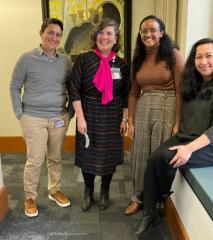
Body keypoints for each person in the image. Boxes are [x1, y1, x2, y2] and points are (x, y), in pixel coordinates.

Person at [135, 38, 213, 236]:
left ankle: (154, 205)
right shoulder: (197, 80)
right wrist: (180, 131)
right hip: (189, 135)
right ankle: (151, 210)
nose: (203, 61)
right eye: (199, 57)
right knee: (153, 159)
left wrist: (189, 149)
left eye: (209, 56)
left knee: (167, 158)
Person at [10, 18, 72, 218]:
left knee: (55, 157)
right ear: (41, 33)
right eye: (50, 33)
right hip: (33, 117)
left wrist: (69, 113)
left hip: (58, 118)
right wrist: (20, 114)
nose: (54, 37)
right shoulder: (26, 59)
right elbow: (14, 87)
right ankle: (30, 197)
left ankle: (54, 190)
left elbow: (73, 88)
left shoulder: (65, 60)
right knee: (35, 159)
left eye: (58, 34)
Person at [68, 18, 130, 211]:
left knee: (108, 156)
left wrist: (124, 119)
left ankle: (104, 191)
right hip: (89, 114)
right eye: (101, 32)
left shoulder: (121, 63)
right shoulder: (84, 59)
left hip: (112, 116)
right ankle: (88, 190)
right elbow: (74, 89)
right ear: (95, 36)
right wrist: (80, 117)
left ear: (116, 38)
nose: (104, 37)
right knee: (88, 155)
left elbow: (126, 94)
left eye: (109, 33)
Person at [125, 15, 184, 215]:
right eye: (144, 31)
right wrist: (130, 120)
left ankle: (156, 200)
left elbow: (181, 91)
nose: (148, 34)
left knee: (157, 156)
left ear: (161, 33)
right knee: (140, 155)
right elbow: (133, 93)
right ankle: (138, 197)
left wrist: (178, 121)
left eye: (152, 30)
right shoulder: (138, 59)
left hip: (167, 108)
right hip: (143, 108)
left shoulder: (173, 56)